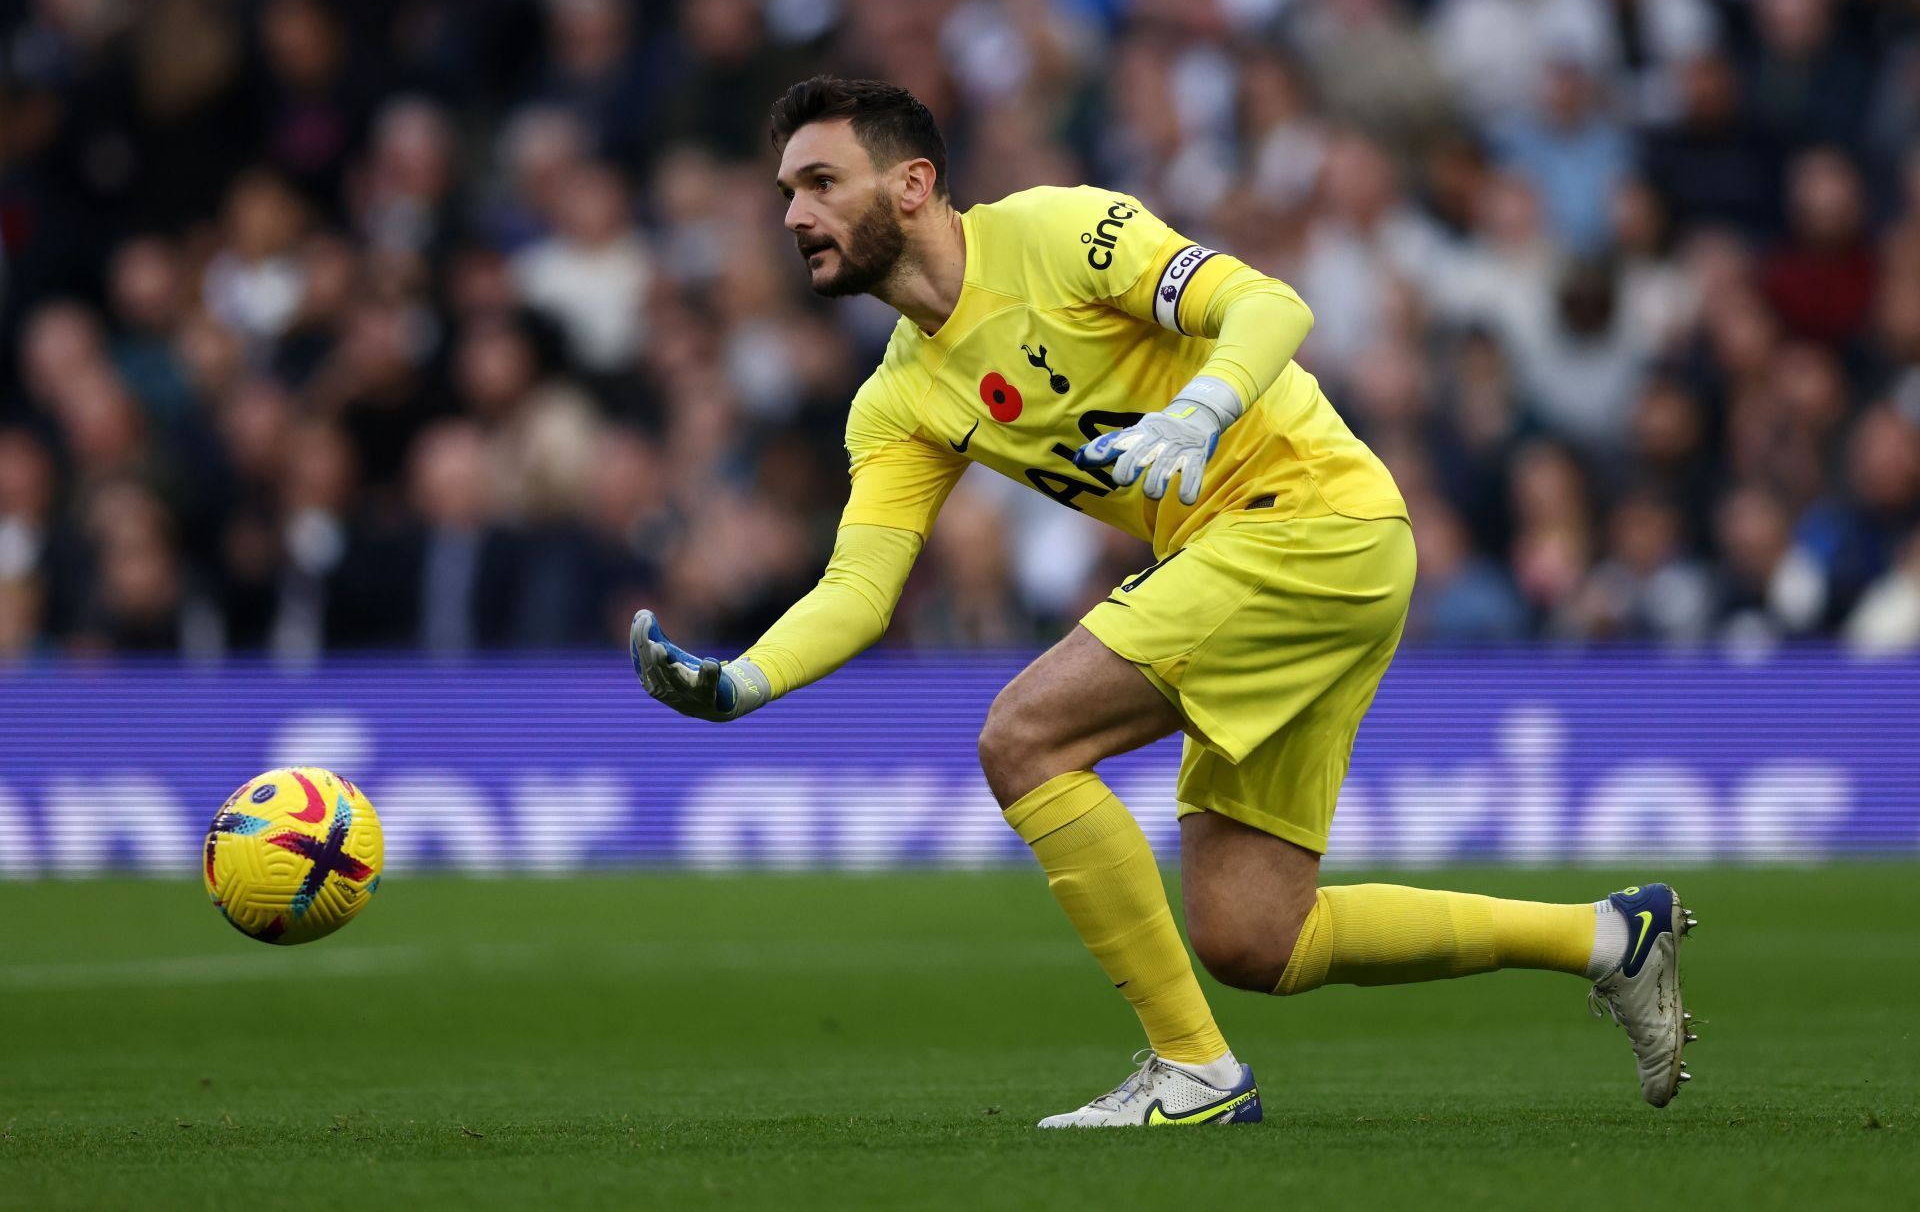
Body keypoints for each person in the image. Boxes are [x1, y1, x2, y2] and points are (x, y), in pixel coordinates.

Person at [631, 77, 1696, 1126]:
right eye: (785, 192)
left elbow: (1273, 305)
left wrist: (1200, 409)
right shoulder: (900, 397)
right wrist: (741, 681)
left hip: (1307, 521)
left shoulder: (1056, 232)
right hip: (1274, 562)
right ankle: (1609, 938)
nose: (794, 215)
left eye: (821, 181)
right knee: (1254, 938)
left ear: (912, 184)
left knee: (1024, 738)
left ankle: (1193, 1072)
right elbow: (860, 589)